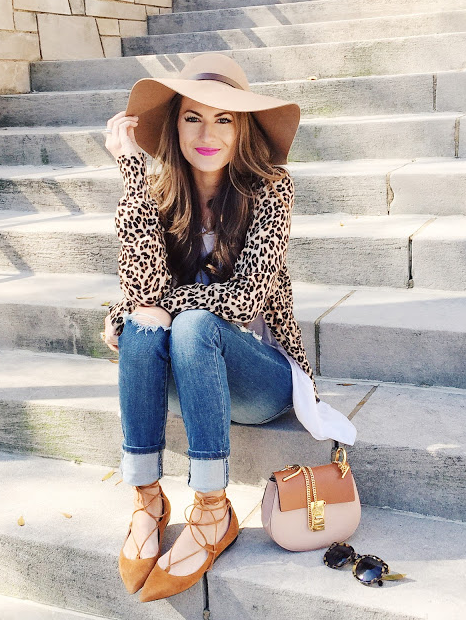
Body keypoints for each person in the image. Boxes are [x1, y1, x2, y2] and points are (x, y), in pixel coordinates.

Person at [101, 53, 356, 603]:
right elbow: (144, 293)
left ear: (242, 128)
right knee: (146, 326)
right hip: (191, 378)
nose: (207, 132)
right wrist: (132, 176)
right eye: (193, 116)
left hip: (259, 378)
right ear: (175, 126)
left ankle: (213, 509)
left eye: (224, 119)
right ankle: (148, 499)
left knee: (188, 323)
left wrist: (148, 306)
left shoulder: (271, 190)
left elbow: (243, 301)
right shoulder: (161, 193)